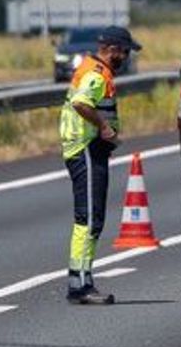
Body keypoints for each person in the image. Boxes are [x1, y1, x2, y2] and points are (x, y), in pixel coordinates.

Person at [58, 25, 141, 304]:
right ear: (113, 50)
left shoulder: (92, 68)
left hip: (86, 149)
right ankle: (80, 284)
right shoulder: (96, 74)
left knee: (89, 218)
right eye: (125, 51)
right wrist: (104, 127)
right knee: (90, 218)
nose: (127, 57)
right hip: (87, 149)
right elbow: (82, 104)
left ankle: (80, 280)